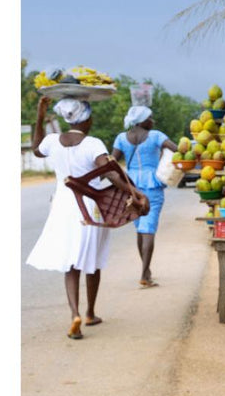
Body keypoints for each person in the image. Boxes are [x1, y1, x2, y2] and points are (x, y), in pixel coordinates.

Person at [26, 97, 149, 340]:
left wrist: (40, 116)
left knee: (71, 264)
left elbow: (36, 149)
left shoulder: (53, 141)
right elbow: (111, 174)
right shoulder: (92, 143)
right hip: (90, 208)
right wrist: (135, 193)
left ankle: (75, 314)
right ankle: (91, 312)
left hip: (63, 207)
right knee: (91, 260)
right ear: (86, 119)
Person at [111, 106, 178, 288]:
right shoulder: (156, 136)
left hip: (130, 187)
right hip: (152, 186)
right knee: (148, 230)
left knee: (140, 228)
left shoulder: (121, 138)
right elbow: (177, 149)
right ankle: (144, 274)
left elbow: (111, 162)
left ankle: (146, 270)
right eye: (150, 118)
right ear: (142, 120)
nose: (153, 121)